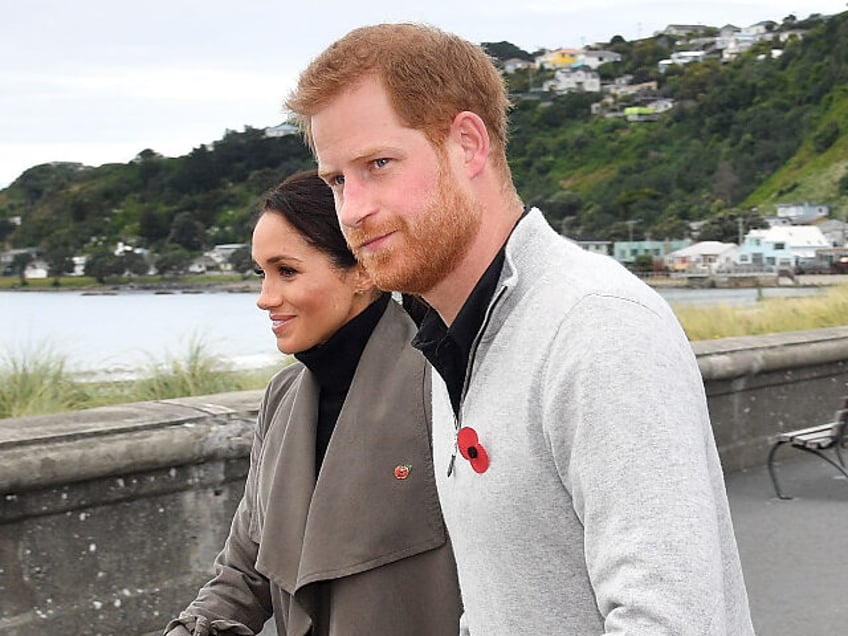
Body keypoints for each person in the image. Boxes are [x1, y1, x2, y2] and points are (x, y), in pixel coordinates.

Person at [286, 23, 756, 635]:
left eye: (379, 164)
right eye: (338, 180)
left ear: (468, 145)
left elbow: (672, 621)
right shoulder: (450, 340)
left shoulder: (596, 326)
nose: (352, 210)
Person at [163, 171, 462, 635]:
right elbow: (246, 568)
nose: (265, 298)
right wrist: (191, 628)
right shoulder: (281, 400)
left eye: (287, 271)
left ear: (363, 269)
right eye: (260, 273)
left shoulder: (443, 386)